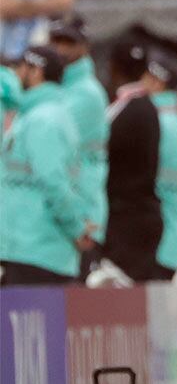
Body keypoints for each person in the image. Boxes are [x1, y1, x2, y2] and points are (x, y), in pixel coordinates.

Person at [0, 46, 89, 284]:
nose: (16, 74)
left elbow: (54, 182)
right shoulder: (38, 115)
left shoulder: (44, 120)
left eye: (21, 68)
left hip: (37, 251)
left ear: (36, 71)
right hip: (30, 249)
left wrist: (76, 229)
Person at [47, 16, 107, 276]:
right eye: (56, 40)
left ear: (85, 46)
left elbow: (51, 140)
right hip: (63, 212)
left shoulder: (86, 93)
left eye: (68, 42)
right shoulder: (60, 87)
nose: (60, 48)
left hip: (81, 213)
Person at [104, 38, 164, 281]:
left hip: (125, 220)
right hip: (144, 215)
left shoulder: (121, 109)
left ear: (113, 68)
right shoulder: (150, 108)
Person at [141, 50, 177, 277]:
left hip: (156, 243)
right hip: (172, 239)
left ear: (157, 82)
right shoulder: (175, 121)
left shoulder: (157, 122)